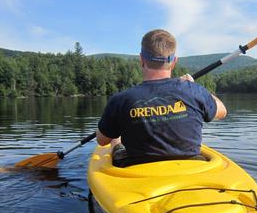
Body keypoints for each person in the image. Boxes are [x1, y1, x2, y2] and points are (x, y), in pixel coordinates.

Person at [96, 29, 227, 167]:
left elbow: (102, 140)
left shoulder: (120, 99)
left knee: (115, 137)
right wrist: (194, 86)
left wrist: (111, 127)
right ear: (174, 61)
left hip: (136, 171)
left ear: (141, 59)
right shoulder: (194, 91)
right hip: (190, 168)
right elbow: (222, 111)